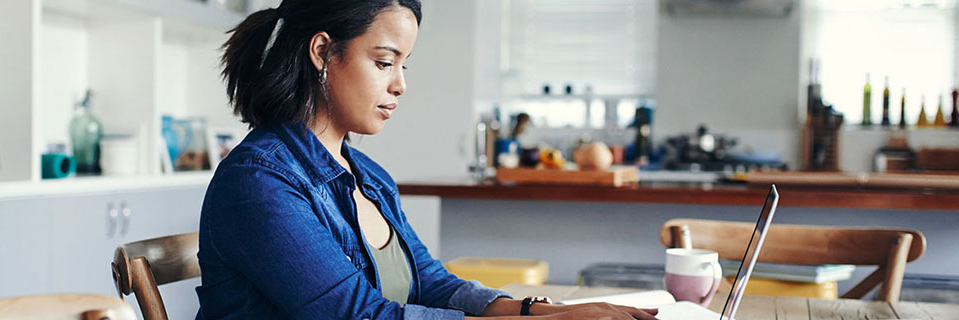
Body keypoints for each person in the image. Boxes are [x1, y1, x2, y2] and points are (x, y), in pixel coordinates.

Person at [195, 1, 660, 319]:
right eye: (383, 62)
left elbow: (431, 284)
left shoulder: (369, 178)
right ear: (323, 53)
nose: (400, 85)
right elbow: (360, 315)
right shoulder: (259, 183)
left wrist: (546, 310)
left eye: (404, 64)